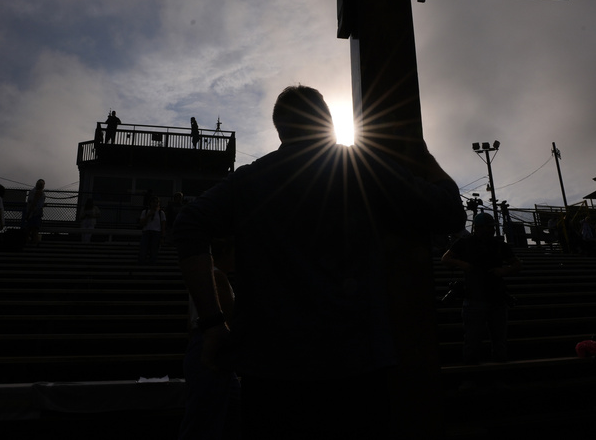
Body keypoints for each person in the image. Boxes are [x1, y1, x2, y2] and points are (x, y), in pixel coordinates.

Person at [174, 85, 464, 440]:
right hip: (356, 365)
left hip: (270, 370)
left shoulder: (249, 181)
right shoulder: (360, 166)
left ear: (280, 130)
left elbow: (188, 223)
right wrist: (423, 157)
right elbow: (449, 212)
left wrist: (213, 324)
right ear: (327, 122)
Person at [179, 237, 241, 440]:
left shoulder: (205, 278)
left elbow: (190, 323)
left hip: (199, 345)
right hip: (212, 347)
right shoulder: (218, 278)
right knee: (205, 421)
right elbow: (232, 319)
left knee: (211, 412)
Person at [441, 212, 522, 363]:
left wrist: (503, 271)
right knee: (474, 341)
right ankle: (473, 377)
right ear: (478, 228)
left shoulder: (498, 245)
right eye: (488, 227)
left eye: (491, 228)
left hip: (495, 298)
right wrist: (463, 264)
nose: (491, 230)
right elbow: (445, 259)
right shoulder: (465, 243)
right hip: (475, 298)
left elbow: (517, 264)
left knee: (496, 342)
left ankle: (493, 377)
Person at [139, 197, 166, 264]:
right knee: (143, 250)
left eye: (157, 202)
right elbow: (141, 223)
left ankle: (152, 263)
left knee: (154, 250)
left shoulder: (161, 213)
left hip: (156, 233)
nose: (155, 204)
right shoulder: (145, 212)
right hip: (147, 232)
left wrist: (162, 236)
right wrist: (148, 215)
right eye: (154, 202)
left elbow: (163, 225)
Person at [24, 179, 45, 245]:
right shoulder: (39, 192)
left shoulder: (33, 192)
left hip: (33, 213)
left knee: (29, 229)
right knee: (34, 230)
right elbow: (34, 203)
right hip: (35, 213)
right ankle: (34, 244)